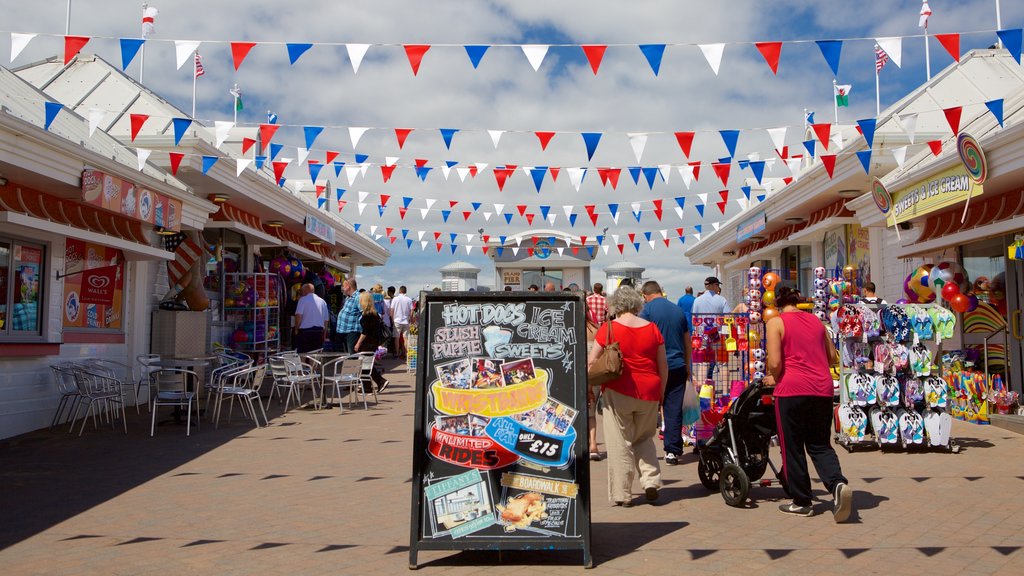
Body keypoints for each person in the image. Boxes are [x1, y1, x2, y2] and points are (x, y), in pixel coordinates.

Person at [765, 286, 852, 522]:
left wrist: (774, 374)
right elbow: (833, 356)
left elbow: (774, 362)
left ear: (777, 303)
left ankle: (802, 501)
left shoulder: (776, 322)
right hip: (822, 390)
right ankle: (837, 485)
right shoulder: (816, 321)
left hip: (792, 390)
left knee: (792, 447)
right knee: (820, 445)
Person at [588, 286, 667, 506]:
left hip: (618, 390)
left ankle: (623, 494)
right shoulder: (652, 329)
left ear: (615, 305)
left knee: (619, 442)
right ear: (636, 303)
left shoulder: (608, 328)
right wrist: (661, 394)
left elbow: (591, 362)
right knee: (644, 438)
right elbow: (663, 366)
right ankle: (651, 481)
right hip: (649, 391)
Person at [639, 280, 691, 466]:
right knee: (673, 408)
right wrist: (688, 366)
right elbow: (687, 341)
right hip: (677, 364)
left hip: (654, 367)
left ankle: (644, 451)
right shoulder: (677, 310)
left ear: (645, 295)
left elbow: (642, 338)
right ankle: (672, 451)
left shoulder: (647, 311)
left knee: (647, 408)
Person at [691, 276, 729, 381]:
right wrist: (727, 335)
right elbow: (728, 318)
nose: (718, 288)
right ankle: (725, 394)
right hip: (718, 334)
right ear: (712, 286)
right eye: (717, 285)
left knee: (703, 363)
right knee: (722, 363)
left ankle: (702, 390)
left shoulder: (697, 300)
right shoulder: (721, 300)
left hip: (703, 334)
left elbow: (694, 318)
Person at [354, 292, 390, 392]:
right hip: (373, 342)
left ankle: (378, 382)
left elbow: (365, 331)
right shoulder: (375, 314)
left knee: (365, 365)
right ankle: (369, 386)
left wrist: (358, 343)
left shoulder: (367, 315)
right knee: (367, 365)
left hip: (368, 343)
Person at [293, 283, 330, 353]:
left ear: (305, 290)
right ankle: (312, 364)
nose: (302, 292)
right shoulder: (322, 302)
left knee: (303, 354)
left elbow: (298, 316)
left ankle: (304, 364)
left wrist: (296, 329)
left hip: (305, 332)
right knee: (314, 355)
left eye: (302, 291)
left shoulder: (302, 300)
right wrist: (324, 335)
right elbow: (326, 320)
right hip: (318, 332)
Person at [335, 278, 362, 353]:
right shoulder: (348, 297)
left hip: (352, 332)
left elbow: (364, 314)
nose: (342, 289)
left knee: (352, 356)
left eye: (343, 286)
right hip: (345, 332)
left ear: (348, 286)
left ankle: (353, 365)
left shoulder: (358, 297)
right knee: (347, 355)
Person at [390, 286, 414, 358]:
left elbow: (391, 311)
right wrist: (410, 318)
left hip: (397, 321)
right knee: (405, 338)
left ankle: (397, 353)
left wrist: (392, 319)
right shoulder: (409, 300)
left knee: (396, 338)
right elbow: (412, 310)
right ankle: (406, 353)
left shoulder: (395, 299)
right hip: (406, 321)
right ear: (405, 291)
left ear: (400, 291)